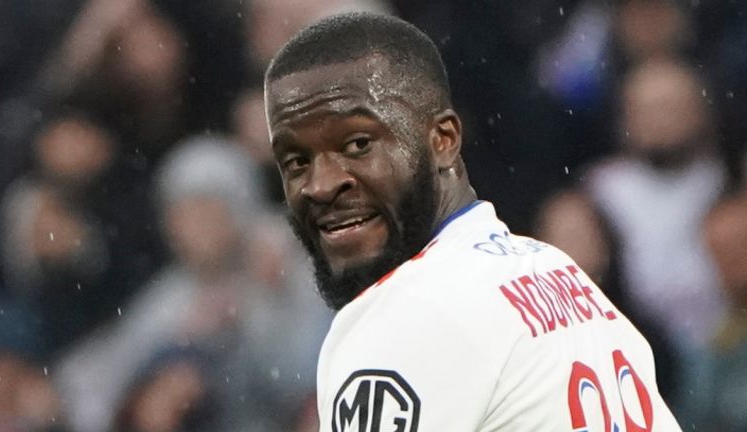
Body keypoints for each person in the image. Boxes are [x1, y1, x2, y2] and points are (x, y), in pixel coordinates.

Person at [263, 12, 682, 431]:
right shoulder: (560, 274)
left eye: (358, 144)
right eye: (296, 161)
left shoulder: (405, 316)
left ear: (443, 141)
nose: (320, 185)